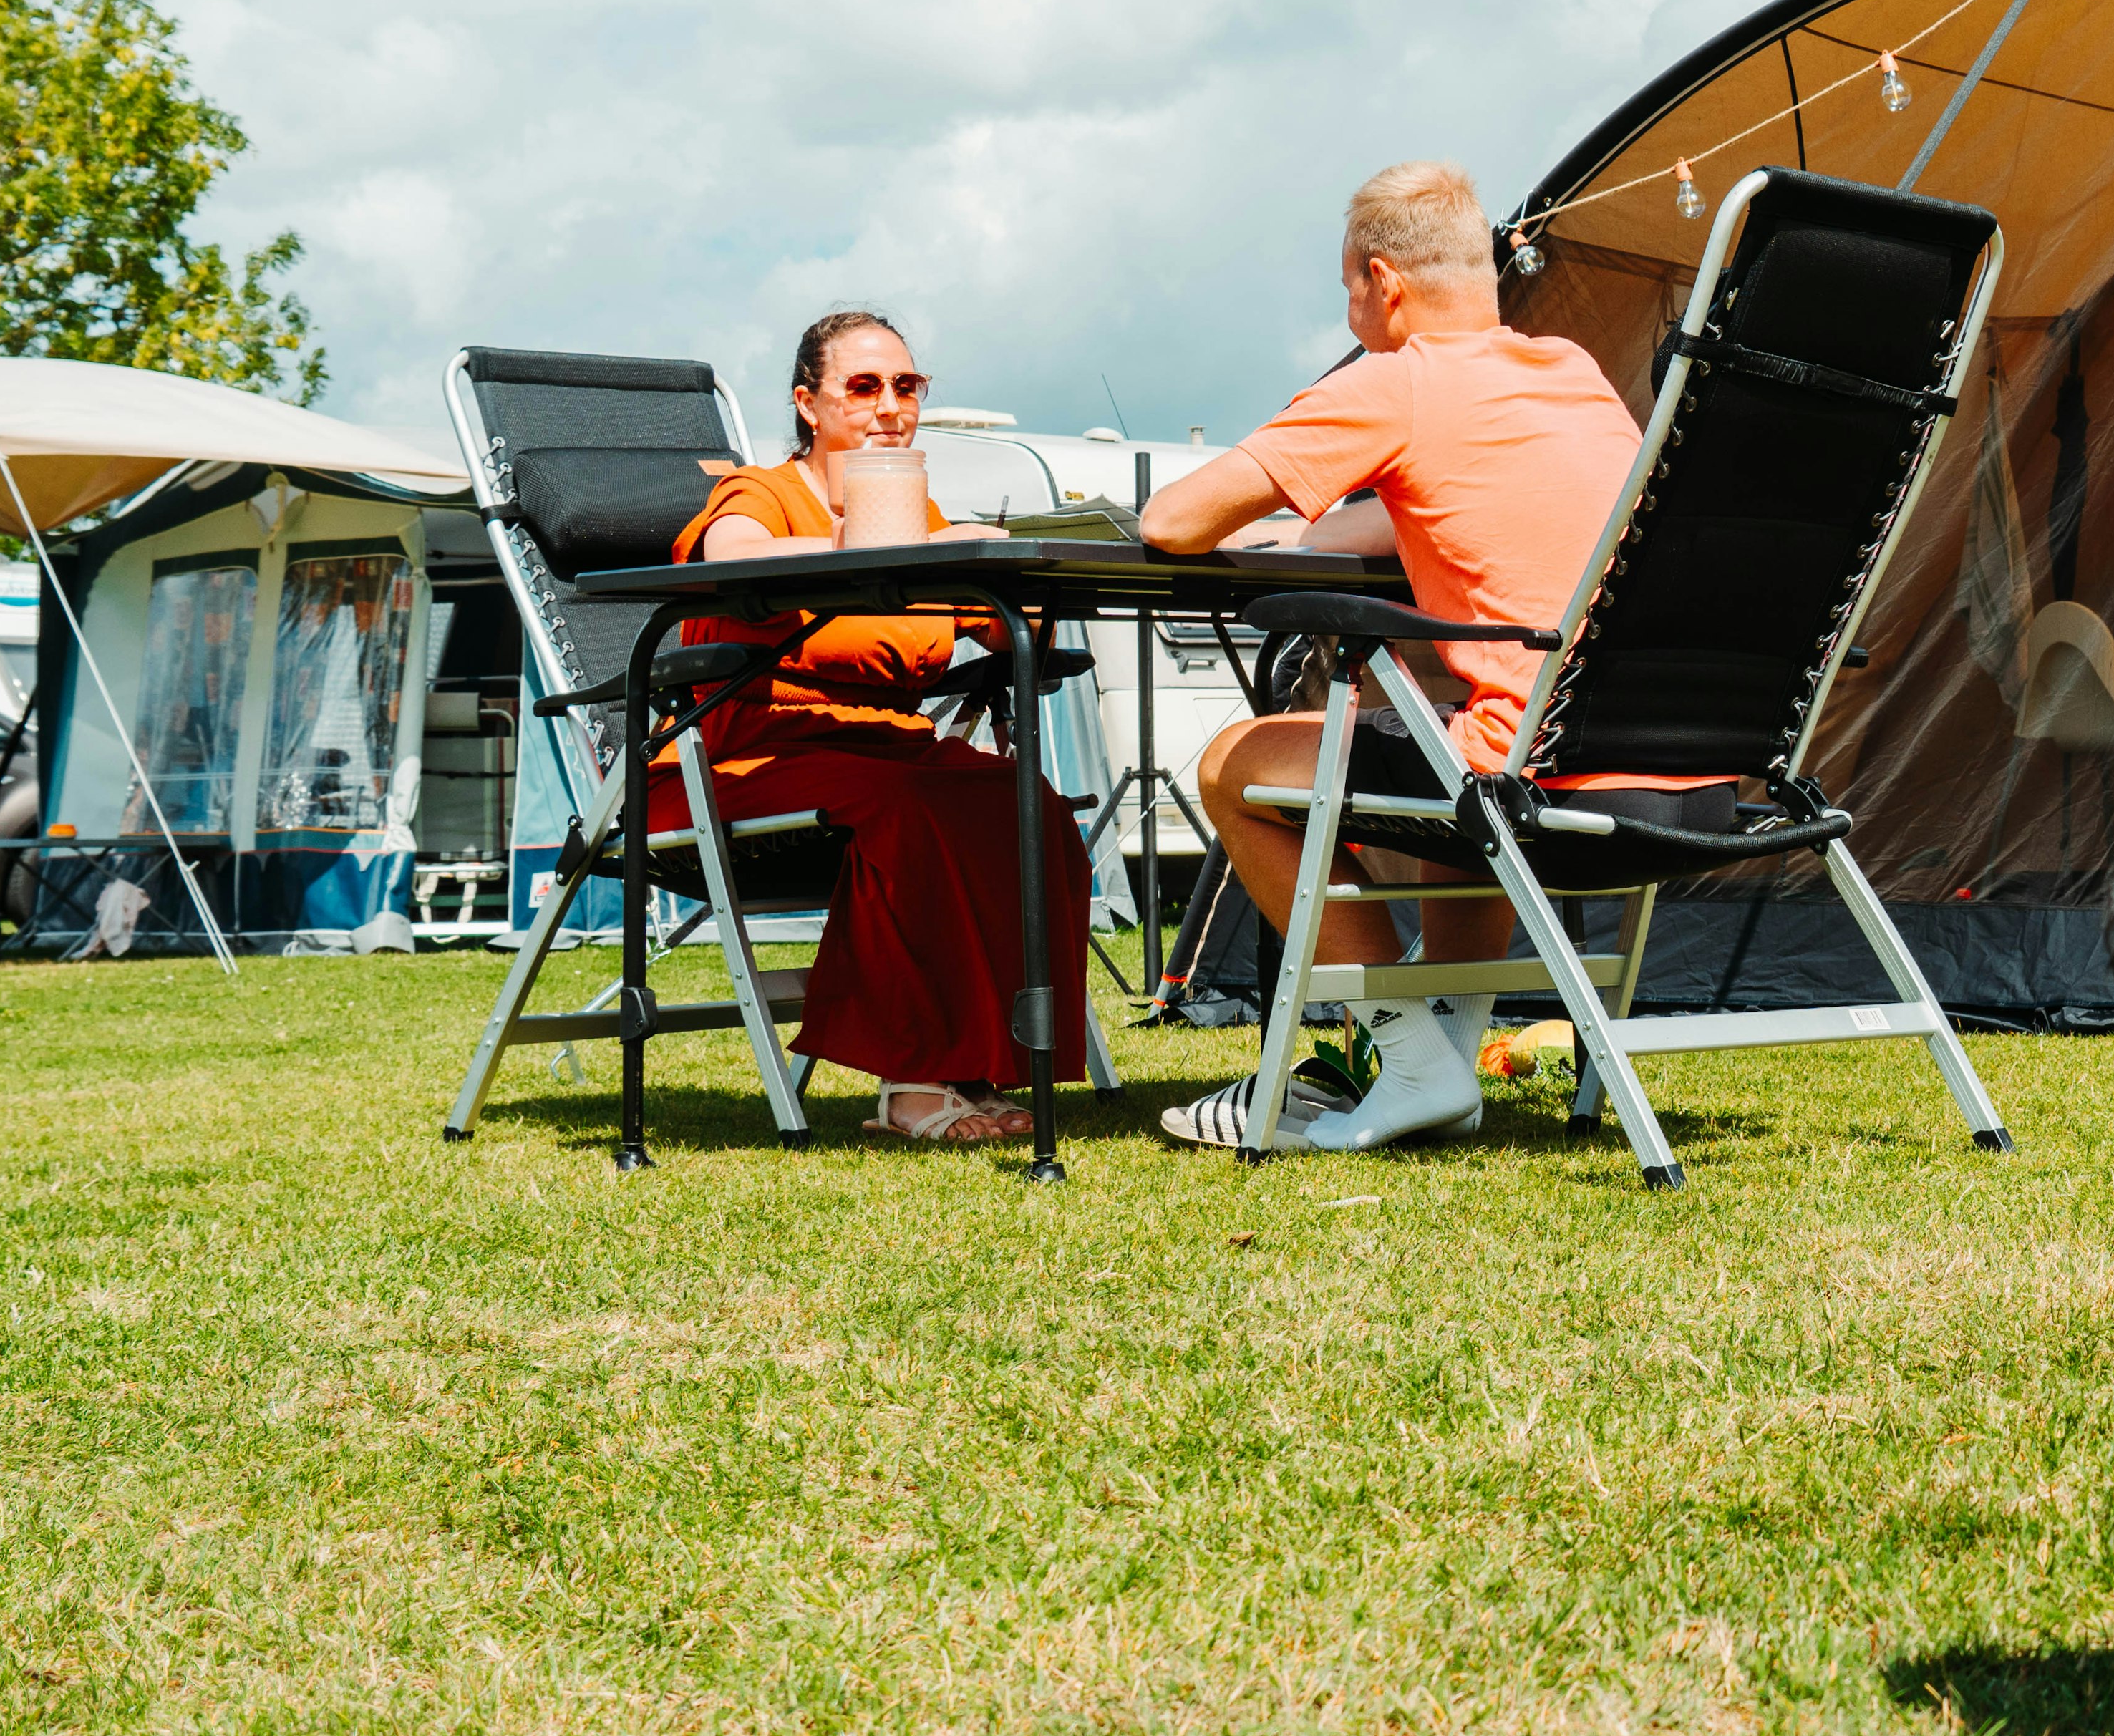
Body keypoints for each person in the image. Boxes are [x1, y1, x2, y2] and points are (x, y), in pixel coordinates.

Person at [1137, 162, 1650, 1153]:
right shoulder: (1568, 373)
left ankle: (1407, 1060)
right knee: (1438, 724)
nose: (1351, 309)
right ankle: (1447, 1046)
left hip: (1528, 770)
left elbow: (1174, 520)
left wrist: (1297, 523)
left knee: (1236, 764)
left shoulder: (1397, 380)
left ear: (1385, 280)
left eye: (1348, 290)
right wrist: (1343, 530)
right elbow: (1469, 493)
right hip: (1670, 766)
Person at [678, 308, 1080, 1148]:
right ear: (808, 403)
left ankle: (990, 1064)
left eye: (907, 385)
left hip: (882, 746)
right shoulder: (764, 493)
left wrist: (1003, 583)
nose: (890, 405)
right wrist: (881, 538)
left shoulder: (921, 512)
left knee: (1028, 803)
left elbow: (1009, 630)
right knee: (917, 806)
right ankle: (910, 1082)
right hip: (750, 749)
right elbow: (729, 555)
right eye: (862, 386)